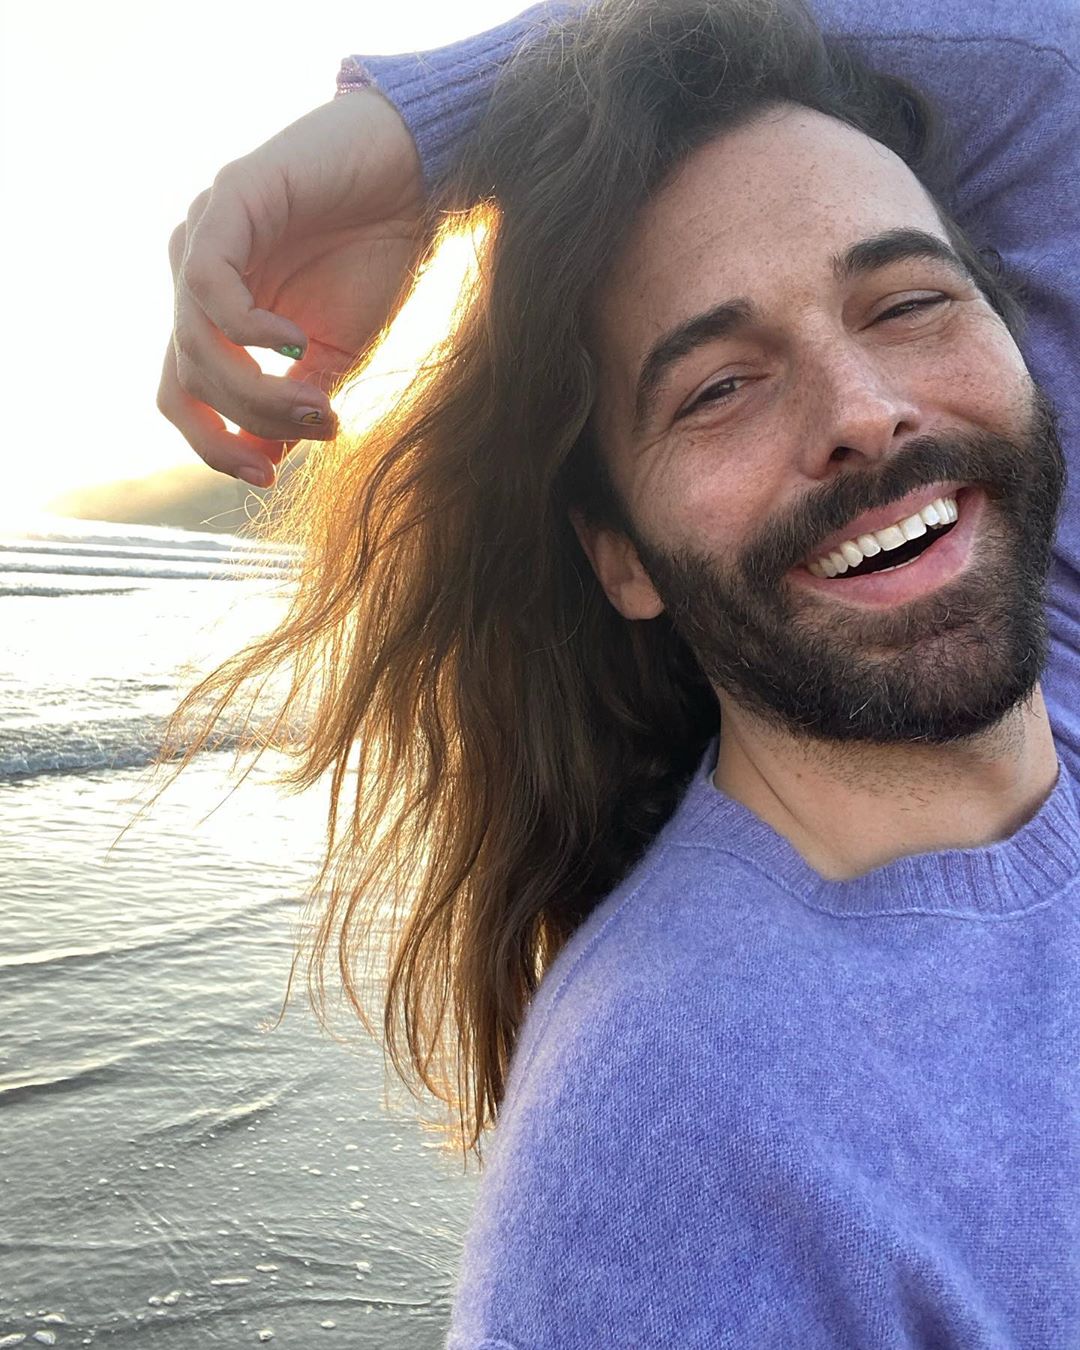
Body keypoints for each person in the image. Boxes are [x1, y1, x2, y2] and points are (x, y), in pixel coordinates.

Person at [159, 0, 1080, 1344]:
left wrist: (426, 133)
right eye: (717, 385)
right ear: (624, 556)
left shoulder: (1041, 661)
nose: (863, 409)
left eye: (910, 299)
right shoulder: (669, 1165)